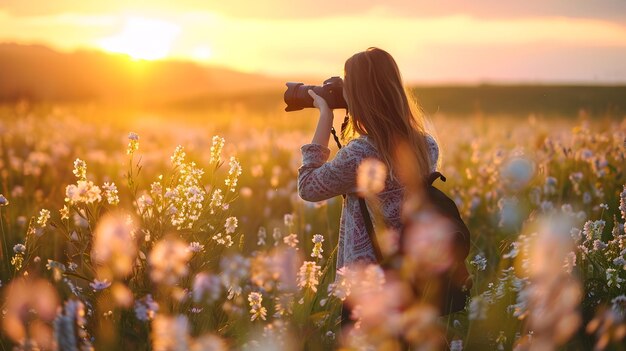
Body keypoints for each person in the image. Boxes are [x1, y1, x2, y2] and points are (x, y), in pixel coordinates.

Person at [298, 47, 439, 272]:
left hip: (367, 286)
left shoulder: (360, 153)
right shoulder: (427, 146)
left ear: (357, 95)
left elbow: (308, 187)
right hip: (412, 274)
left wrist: (326, 116)